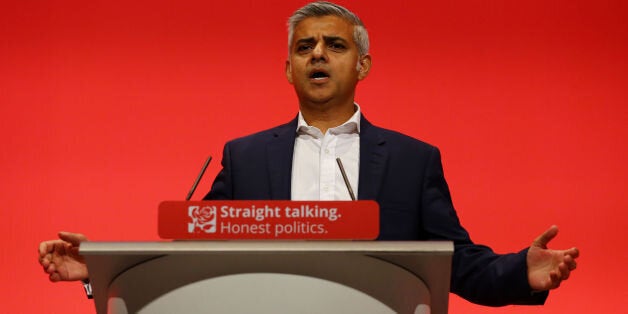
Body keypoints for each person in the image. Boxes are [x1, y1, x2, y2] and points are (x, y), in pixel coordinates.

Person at [39, 1, 579, 307]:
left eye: (335, 45)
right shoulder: (245, 157)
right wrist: (102, 270)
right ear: (289, 69)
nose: (318, 54)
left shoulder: (414, 161)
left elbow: (456, 263)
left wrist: (517, 273)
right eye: (304, 47)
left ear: (363, 65)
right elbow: (190, 259)